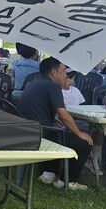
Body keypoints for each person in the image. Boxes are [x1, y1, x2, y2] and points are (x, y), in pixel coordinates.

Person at [18, 57, 93, 190]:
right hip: (40, 134)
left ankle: (48, 173)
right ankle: (66, 181)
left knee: (57, 130)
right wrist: (79, 133)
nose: (65, 75)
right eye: (63, 71)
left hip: (27, 131)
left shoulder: (33, 83)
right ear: (53, 72)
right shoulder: (52, 86)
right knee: (84, 142)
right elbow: (64, 115)